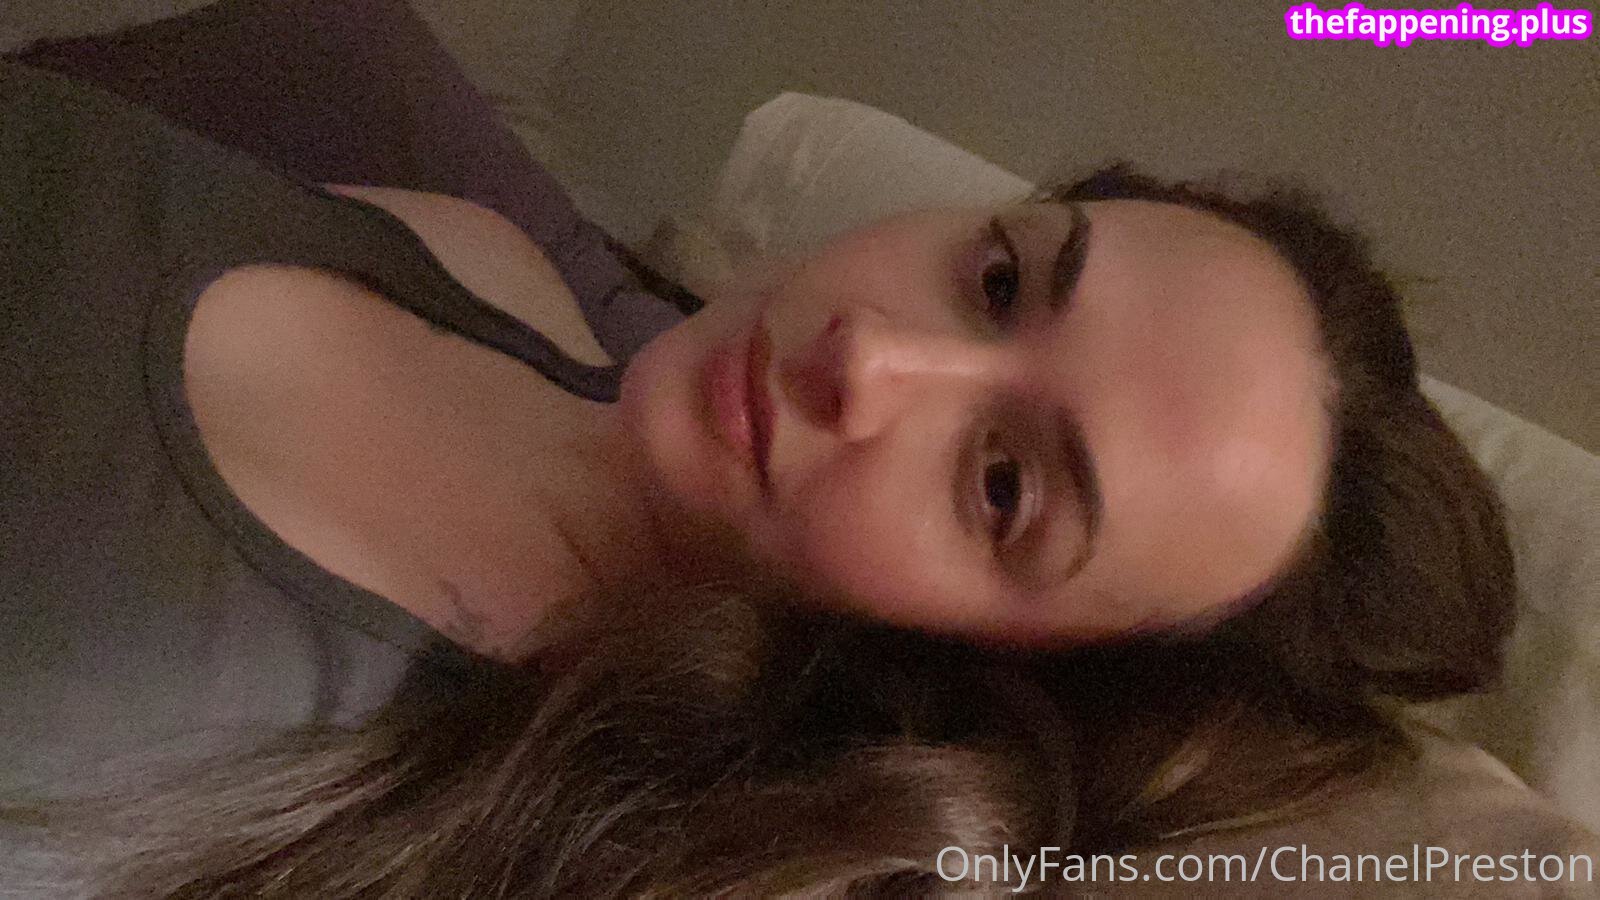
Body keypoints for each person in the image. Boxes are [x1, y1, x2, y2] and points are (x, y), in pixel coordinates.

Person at [0, 58, 1532, 895]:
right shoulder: (474, 255)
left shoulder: (438, 815)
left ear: (991, 667)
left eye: (1003, 489)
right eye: (1000, 281)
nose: (871, 360)